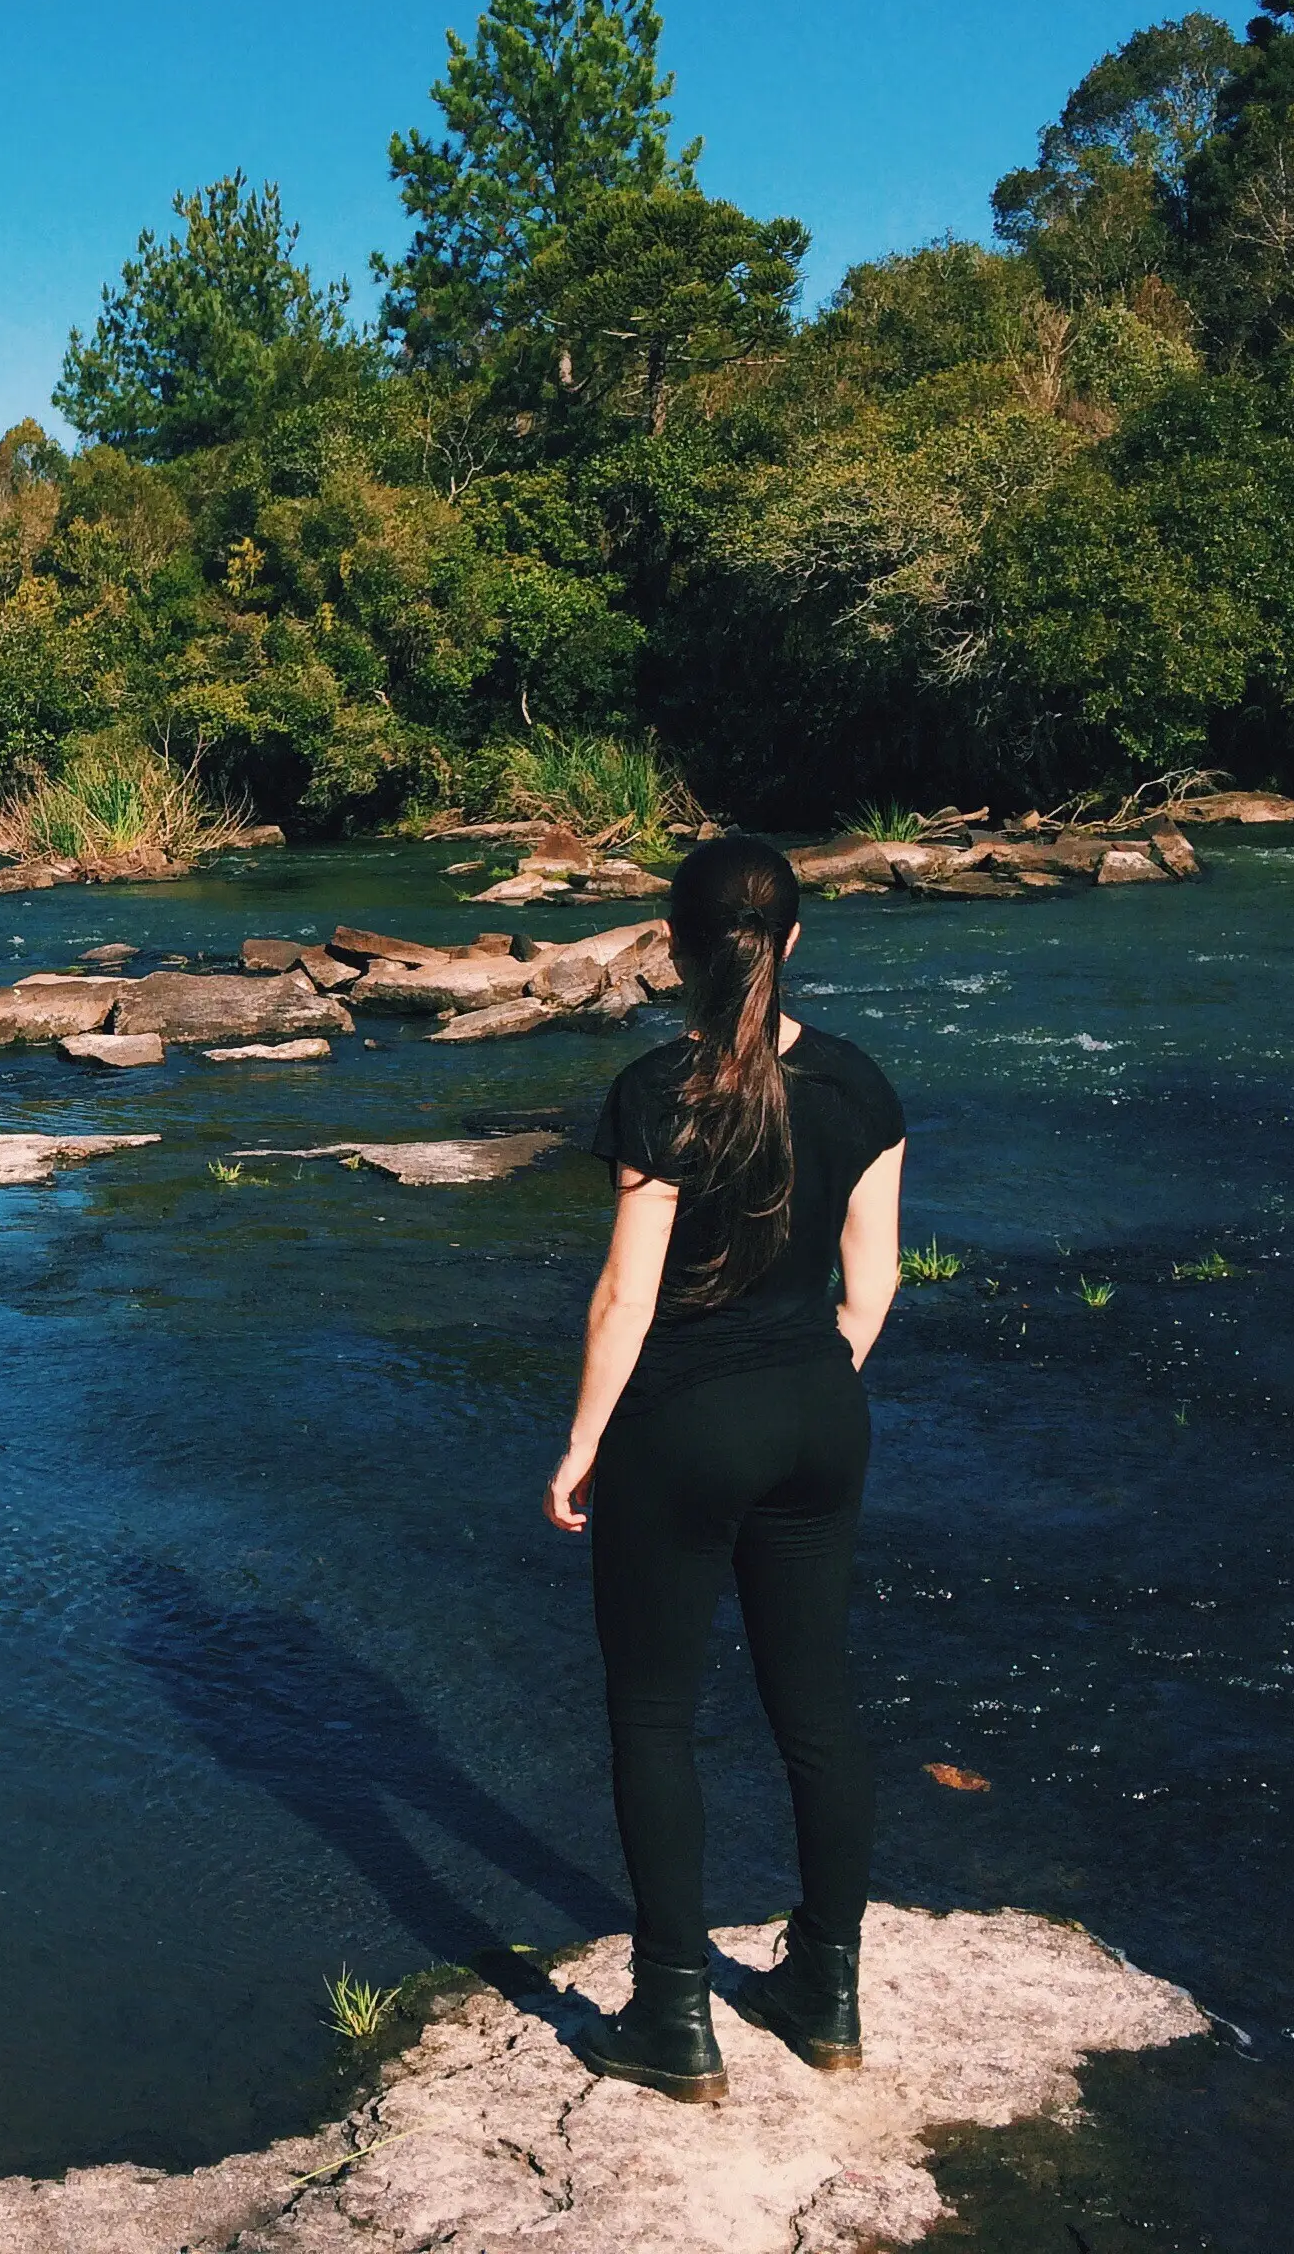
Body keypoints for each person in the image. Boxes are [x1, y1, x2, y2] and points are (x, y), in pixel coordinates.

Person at [542, 831, 906, 2103]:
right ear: (793, 943)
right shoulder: (862, 1086)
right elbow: (877, 1286)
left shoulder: (659, 1092)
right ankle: (829, 1994)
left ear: (680, 953)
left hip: (685, 1434)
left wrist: (586, 1444)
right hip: (821, 1419)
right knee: (816, 1709)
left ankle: (673, 2019)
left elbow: (623, 1302)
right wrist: (809, 1385)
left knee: (654, 1716)